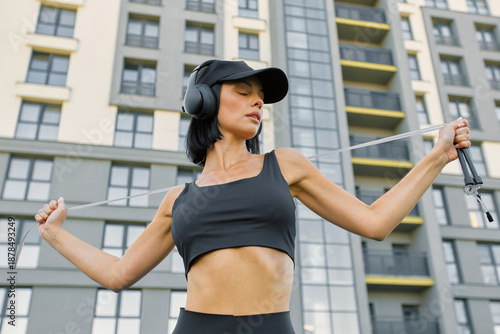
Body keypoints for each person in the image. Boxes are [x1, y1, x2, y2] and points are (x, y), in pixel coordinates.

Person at [34, 59, 471, 334]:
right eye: (243, 93)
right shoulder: (177, 199)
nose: (257, 104)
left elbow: (376, 223)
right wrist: (55, 236)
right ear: (202, 100)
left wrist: (437, 157)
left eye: (261, 99)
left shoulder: (286, 165)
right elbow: (118, 275)